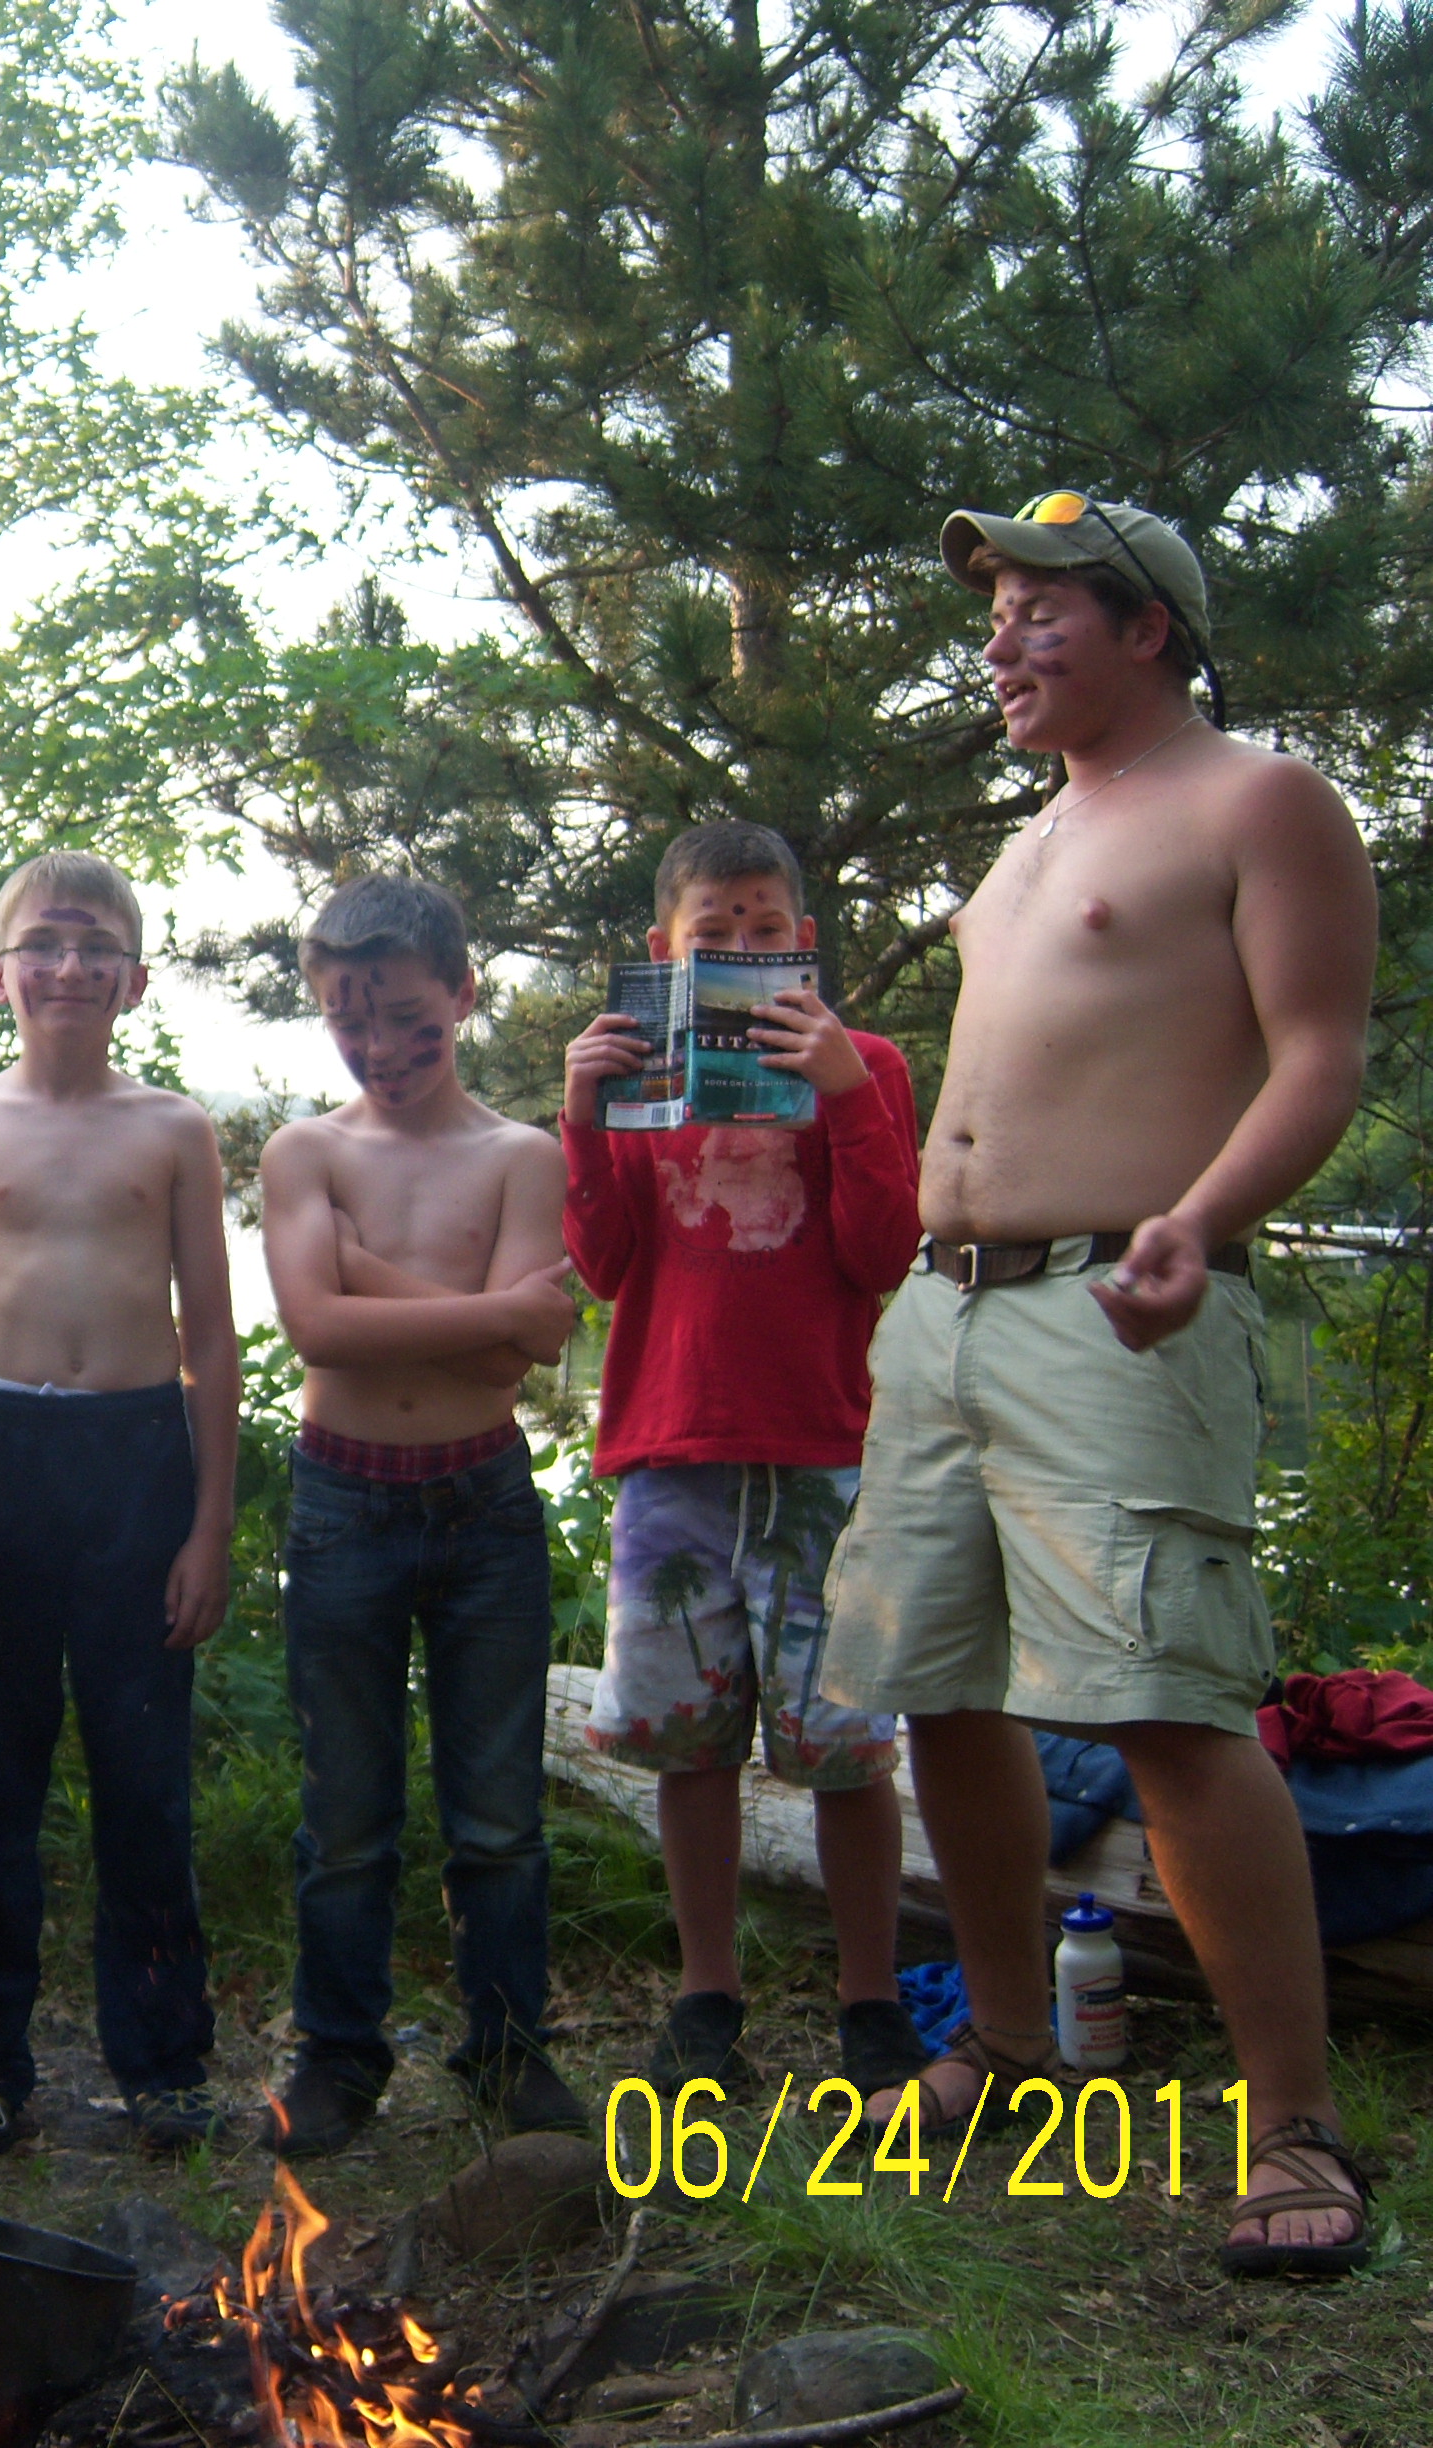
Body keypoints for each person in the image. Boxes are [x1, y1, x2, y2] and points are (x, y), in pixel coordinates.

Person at [820, 494, 1380, 2278]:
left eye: (1037, 607)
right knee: (941, 1686)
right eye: (990, 611)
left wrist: (1196, 1221)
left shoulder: (1257, 801)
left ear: (1148, 627)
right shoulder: (1027, 841)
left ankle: (1292, 2122)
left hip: (1118, 1301)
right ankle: (1004, 2039)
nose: (997, 640)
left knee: (1165, 1706)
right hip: (946, 1312)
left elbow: (1317, 1055)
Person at [557, 824, 930, 2102]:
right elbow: (607, 1268)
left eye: (765, 928)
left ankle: (871, 2001)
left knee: (847, 1747)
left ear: (803, 944)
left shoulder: (866, 1064)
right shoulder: (637, 1079)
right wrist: (580, 1116)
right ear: (663, 950)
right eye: (712, 931)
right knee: (688, 1743)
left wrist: (848, 1094)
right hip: (672, 1446)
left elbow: (884, 1254)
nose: (740, 946)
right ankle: (706, 1995)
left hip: (823, 1447)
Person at [0, 852, 241, 2160]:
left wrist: (209, 1527)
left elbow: (212, 1340)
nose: (71, 965)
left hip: (138, 1457)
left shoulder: (174, 1129)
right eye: (44, 943)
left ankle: (162, 2060)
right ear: (1, 972)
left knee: (143, 1778)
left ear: (135, 979)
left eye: (98, 945)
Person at [256, 874, 586, 2154]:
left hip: (483, 1505)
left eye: (410, 1021)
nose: (382, 1049)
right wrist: (493, 1311)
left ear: (464, 994)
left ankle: (508, 2053)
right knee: (345, 1812)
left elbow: (507, 1369)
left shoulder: (521, 1156)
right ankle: (340, 2055)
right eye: (350, 1022)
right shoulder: (307, 1152)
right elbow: (317, 1330)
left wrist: (363, 1273)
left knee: (498, 1812)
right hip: (343, 1501)